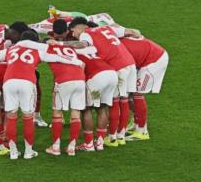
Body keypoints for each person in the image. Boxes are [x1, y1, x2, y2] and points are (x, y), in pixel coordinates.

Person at [0, 30, 84, 160]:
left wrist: (8, 60)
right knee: (28, 117)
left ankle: (13, 152)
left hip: (9, 82)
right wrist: (76, 62)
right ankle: (28, 151)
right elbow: (57, 58)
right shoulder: (38, 51)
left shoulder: (10, 50)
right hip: (27, 82)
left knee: (11, 116)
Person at [64, 17, 138, 146]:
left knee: (112, 103)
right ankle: (121, 135)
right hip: (130, 63)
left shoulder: (86, 34)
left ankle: (113, 137)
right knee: (124, 100)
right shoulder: (106, 28)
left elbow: (83, 45)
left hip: (117, 67)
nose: (74, 35)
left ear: (78, 28)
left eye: (73, 32)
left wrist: (60, 44)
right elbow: (133, 32)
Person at [121, 36, 169, 140]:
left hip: (154, 60)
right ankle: (136, 123)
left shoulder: (116, 49)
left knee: (137, 93)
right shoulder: (113, 40)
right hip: (144, 58)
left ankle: (142, 131)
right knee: (130, 91)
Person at [44, 44, 86, 156]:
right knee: (76, 113)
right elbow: (83, 64)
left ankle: (55, 147)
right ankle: (71, 148)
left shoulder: (47, 49)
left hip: (63, 80)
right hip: (80, 80)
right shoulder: (69, 47)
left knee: (57, 112)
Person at [75, 46, 118, 151]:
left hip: (97, 77)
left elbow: (81, 68)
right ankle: (100, 143)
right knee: (102, 107)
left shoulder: (73, 54)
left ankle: (89, 144)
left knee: (86, 109)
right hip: (112, 74)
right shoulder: (90, 49)